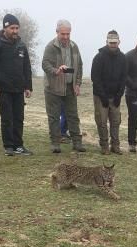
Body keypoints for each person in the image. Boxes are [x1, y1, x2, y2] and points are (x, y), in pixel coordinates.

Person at [0, 14, 33, 156]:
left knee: (19, 118)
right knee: (7, 118)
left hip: (18, 88)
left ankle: (19, 145)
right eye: (12, 28)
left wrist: (28, 86)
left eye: (17, 28)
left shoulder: (21, 45)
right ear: (5, 27)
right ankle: (9, 146)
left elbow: (27, 67)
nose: (15, 31)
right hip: (2, 88)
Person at [42, 19, 85, 154]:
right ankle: (55, 143)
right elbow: (45, 64)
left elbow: (79, 66)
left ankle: (77, 143)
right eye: (63, 34)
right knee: (54, 117)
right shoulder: (51, 47)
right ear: (57, 32)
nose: (65, 37)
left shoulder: (74, 47)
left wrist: (77, 83)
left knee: (73, 116)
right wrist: (56, 70)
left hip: (70, 87)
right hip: (53, 88)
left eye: (68, 34)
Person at [91, 30, 127, 155]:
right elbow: (95, 78)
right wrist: (103, 96)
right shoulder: (99, 57)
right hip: (101, 97)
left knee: (116, 121)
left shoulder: (123, 58)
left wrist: (119, 95)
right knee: (101, 122)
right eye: (111, 42)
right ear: (106, 42)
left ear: (119, 42)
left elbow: (124, 78)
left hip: (115, 96)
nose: (113, 45)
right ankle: (104, 145)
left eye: (115, 43)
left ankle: (115, 145)